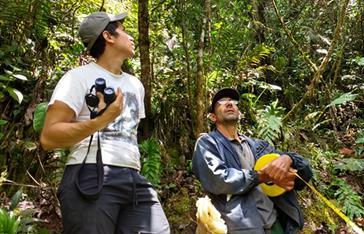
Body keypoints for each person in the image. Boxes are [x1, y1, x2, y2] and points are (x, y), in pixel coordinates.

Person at [40, 12, 170, 234]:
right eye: (124, 30)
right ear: (108, 36)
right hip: (90, 172)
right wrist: (102, 120)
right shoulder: (77, 78)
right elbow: (49, 137)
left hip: (133, 177)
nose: (131, 37)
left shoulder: (135, 85)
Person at [192, 88, 313, 234]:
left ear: (239, 113)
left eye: (233, 102)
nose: (229, 104)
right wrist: (261, 176)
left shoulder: (259, 146)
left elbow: (304, 173)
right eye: (222, 102)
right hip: (239, 228)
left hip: (275, 223)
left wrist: (289, 158)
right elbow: (219, 179)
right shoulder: (208, 143)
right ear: (212, 117)